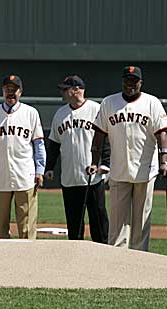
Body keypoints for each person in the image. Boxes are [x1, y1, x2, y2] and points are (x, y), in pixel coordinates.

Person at [88, 66, 167, 251]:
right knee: (117, 222)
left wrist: (164, 161)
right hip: (118, 170)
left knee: (141, 221)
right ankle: (117, 259)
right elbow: (99, 136)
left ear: (140, 83)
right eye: (127, 80)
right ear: (122, 81)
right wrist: (94, 161)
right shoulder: (109, 102)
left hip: (146, 171)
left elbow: (162, 135)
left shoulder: (152, 103)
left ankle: (139, 259)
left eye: (134, 81)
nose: (130, 84)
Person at [0, 74, 45, 240]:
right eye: (7, 89)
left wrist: (40, 170)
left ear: (20, 92)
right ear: (2, 90)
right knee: (0, 227)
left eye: (14, 90)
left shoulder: (31, 113)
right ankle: (3, 262)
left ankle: (27, 260)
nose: (10, 93)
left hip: (25, 175)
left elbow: (39, 145)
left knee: (27, 227)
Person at [45, 75, 109, 243]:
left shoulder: (96, 109)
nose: (62, 92)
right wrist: (49, 167)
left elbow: (106, 139)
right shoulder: (60, 113)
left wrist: (106, 163)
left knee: (99, 221)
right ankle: (75, 260)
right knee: (74, 225)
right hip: (70, 178)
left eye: (65, 89)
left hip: (93, 177)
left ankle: (104, 255)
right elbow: (54, 143)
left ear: (76, 90)